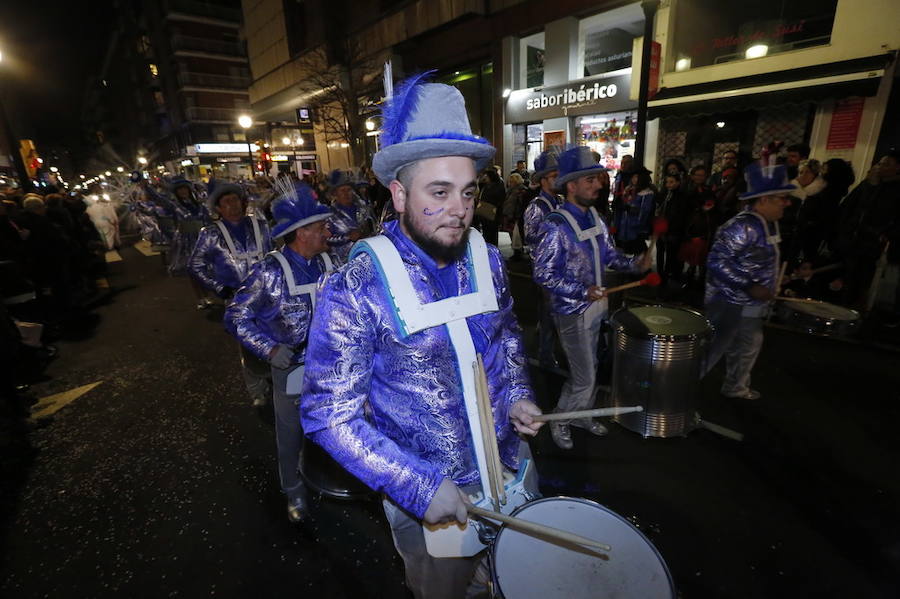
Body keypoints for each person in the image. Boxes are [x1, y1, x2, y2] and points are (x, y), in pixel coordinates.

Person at [300, 75, 543, 599]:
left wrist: (519, 395)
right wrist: (416, 485)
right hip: (433, 496)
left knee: (517, 580)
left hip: (511, 465)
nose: (460, 208)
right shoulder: (355, 285)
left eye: (468, 191)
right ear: (399, 193)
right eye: (439, 192)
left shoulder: (486, 258)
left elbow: (507, 337)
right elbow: (328, 415)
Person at [224, 182, 334, 523]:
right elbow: (235, 316)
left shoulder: (329, 261)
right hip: (292, 368)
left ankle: (327, 476)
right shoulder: (268, 271)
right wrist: (269, 349)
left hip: (333, 366)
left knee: (335, 425)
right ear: (301, 233)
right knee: (290, 434)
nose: (328, 232)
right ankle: (293, 489)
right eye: (321, 227)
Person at [533, 146, 650, 450]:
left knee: (592, 367)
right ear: (571, 185)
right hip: (572, 312)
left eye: (597, 179)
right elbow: (543, 274)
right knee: (584, 375)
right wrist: (581, 291)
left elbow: (609, 255)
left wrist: (635, 264)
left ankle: (581, 416)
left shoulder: (595, 217)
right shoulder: (555, 225)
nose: (598, 185)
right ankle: (559, 420)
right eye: (590, 180)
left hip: (598, 306)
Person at [704, 163, 794, 400]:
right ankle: (671, 392)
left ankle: (735, 386)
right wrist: (750, 285)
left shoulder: (766, 223)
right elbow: (716, 261)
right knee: (712, 349)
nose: (787, 203)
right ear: (763, 199)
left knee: (747, 345)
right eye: (782, 198)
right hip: (729, 301)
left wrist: (776, 278)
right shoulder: (743, 226)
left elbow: (757, 260)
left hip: (746, 303)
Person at [189, 183, 273, 407]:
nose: (233, 205)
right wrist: (218, 287)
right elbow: (195, 265)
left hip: (268, 295)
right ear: (218, 208)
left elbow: (274, 253)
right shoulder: (210, 234)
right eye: (226, 202)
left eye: (235, 200)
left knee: (275, 337)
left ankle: (276, 380)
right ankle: (257, 389)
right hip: (237, 299)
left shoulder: (260, 225)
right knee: (248, 343)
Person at [522, 150, 562, 368]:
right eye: (554, 176)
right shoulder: (536, 206)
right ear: (543, 180)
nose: (559, 179)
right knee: (549, 313)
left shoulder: (560, 201)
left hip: (561, 267)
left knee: (551, 311)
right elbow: (530, 237)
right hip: (546, 269)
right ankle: (546, 355)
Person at [325, 169, 373, 262]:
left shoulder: (363, 209)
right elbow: (326, 239)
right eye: (342, 190)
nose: (346, 193)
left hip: (365, 258)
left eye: (349, 190)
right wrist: (348, 237)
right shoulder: (329, 214)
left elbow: (372, 229)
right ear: (335, 193)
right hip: (342, 262)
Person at [613, 165, 655, 255]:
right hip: (625, 226)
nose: (634, 179)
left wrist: (631, 210)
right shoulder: (629, 189)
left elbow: (645, 211)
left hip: (637, 227)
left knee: (638, 250)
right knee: (627, 251)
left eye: (636, 177)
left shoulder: (647, 193)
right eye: (633, 177)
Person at [475, 167, 504, 245]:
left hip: (493, 211)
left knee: (492, 232)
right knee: (486, 231)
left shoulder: (498, 185)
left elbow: (500, 198)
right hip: (484, 211)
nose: (485, 177)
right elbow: (478, 183)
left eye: (486, 176)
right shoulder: (485, 185)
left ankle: (493, 246)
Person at [502, 172, 527, 261]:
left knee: (517, 235)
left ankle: (518, 252)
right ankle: (516, 251)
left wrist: (517, 215)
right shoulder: (510, 190)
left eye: (512, 181)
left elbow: (521, 204)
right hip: (509, 214)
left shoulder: (521, 190)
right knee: (512, 234)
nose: (510, 183)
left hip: (515, 215)